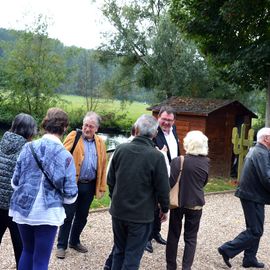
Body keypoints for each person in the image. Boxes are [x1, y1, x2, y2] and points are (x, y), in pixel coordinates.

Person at [8, 108, 78, 270]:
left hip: (23, 209)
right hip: (47, 213)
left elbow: (15, 182)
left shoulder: (27, 148)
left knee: (27, 251)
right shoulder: (66, 156)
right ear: (65, 128)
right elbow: (70, 196)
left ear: (45, 124)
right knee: (41, 260)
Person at [107, 114, 170, 270]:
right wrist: (164, 208)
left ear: (135, 130)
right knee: (132, 256)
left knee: (119, 251)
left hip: (119, 212)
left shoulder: (120, 149)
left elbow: (111, 180)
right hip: (141, 216)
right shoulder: (157, 156)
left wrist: (115, 198)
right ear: (155, 134)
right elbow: (163, 188)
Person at [56, 111, 107, 259]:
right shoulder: (74, 136)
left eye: (91, 126)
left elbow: (103, 165)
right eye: (86, 125)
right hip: (73, 184)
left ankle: (74, 241)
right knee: (68, 215)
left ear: (96, 128)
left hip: (89, 185)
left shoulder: (100, 142)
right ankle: (61, 245)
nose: (87, 129)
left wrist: (101, 186)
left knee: (82, 216)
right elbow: (61, 156)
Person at [218, 127, 270, 269]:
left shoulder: (257, 150)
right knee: (255, 231)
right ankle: (227, 249)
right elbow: (267, 178)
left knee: (254, 228)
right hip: (252, 196)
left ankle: (249, 258)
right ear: (266, 138)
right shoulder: (261, 153)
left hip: (252, 195)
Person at [166, 130, 209, 270]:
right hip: (196, 203)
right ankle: (186, 267)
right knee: (191, 238)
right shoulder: (206, 162)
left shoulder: (177, 161)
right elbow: (204, 182)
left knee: (173, 235)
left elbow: (171, 182)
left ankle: (171, 266)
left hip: (177, 202)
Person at [0, 113, 37, 269]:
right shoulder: (29, 151)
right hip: (17, 209)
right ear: (29, 131)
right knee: (23, 249)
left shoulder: (2, 142)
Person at [146, 105, 180, 253]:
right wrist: (159, 153)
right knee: (153, 205)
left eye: (170, 120)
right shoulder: (152, 131)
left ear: (174, 121)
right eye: (164, 119)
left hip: (170, 174)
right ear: (158, 118)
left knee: (162, 205)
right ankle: (146, 238)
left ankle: (156, 232)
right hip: (155, 175)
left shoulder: (174, 131)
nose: (167, 123)